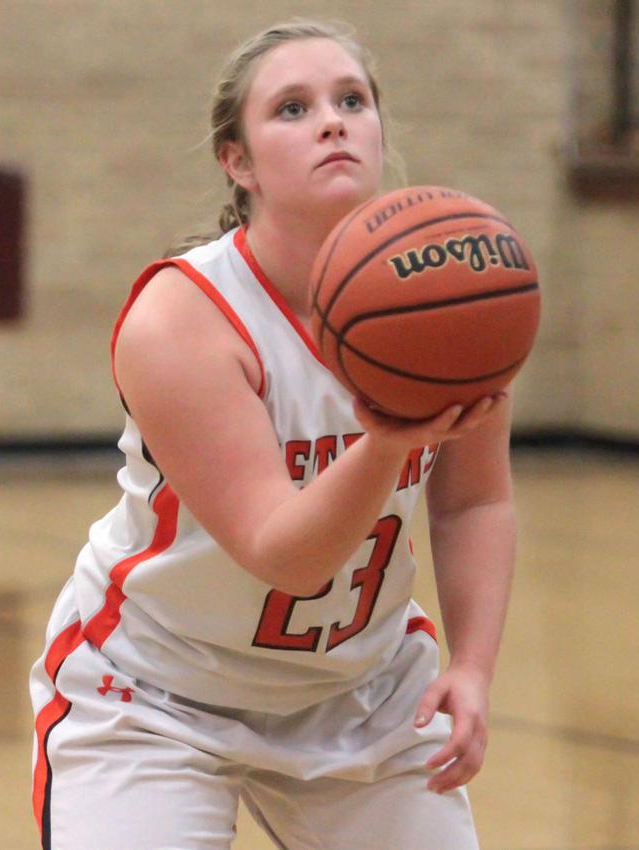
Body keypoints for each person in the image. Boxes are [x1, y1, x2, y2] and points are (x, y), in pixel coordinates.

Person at [30, 19, 516, 850]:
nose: (332, 123)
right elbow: (285, 555)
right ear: (238, 161)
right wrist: (389, 440)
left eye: (351, 101)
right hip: (158, 694)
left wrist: (471, 667)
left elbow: (475, 502)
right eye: (293, 108)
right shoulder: (183, 320)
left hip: (361, 694)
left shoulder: (455, 288)